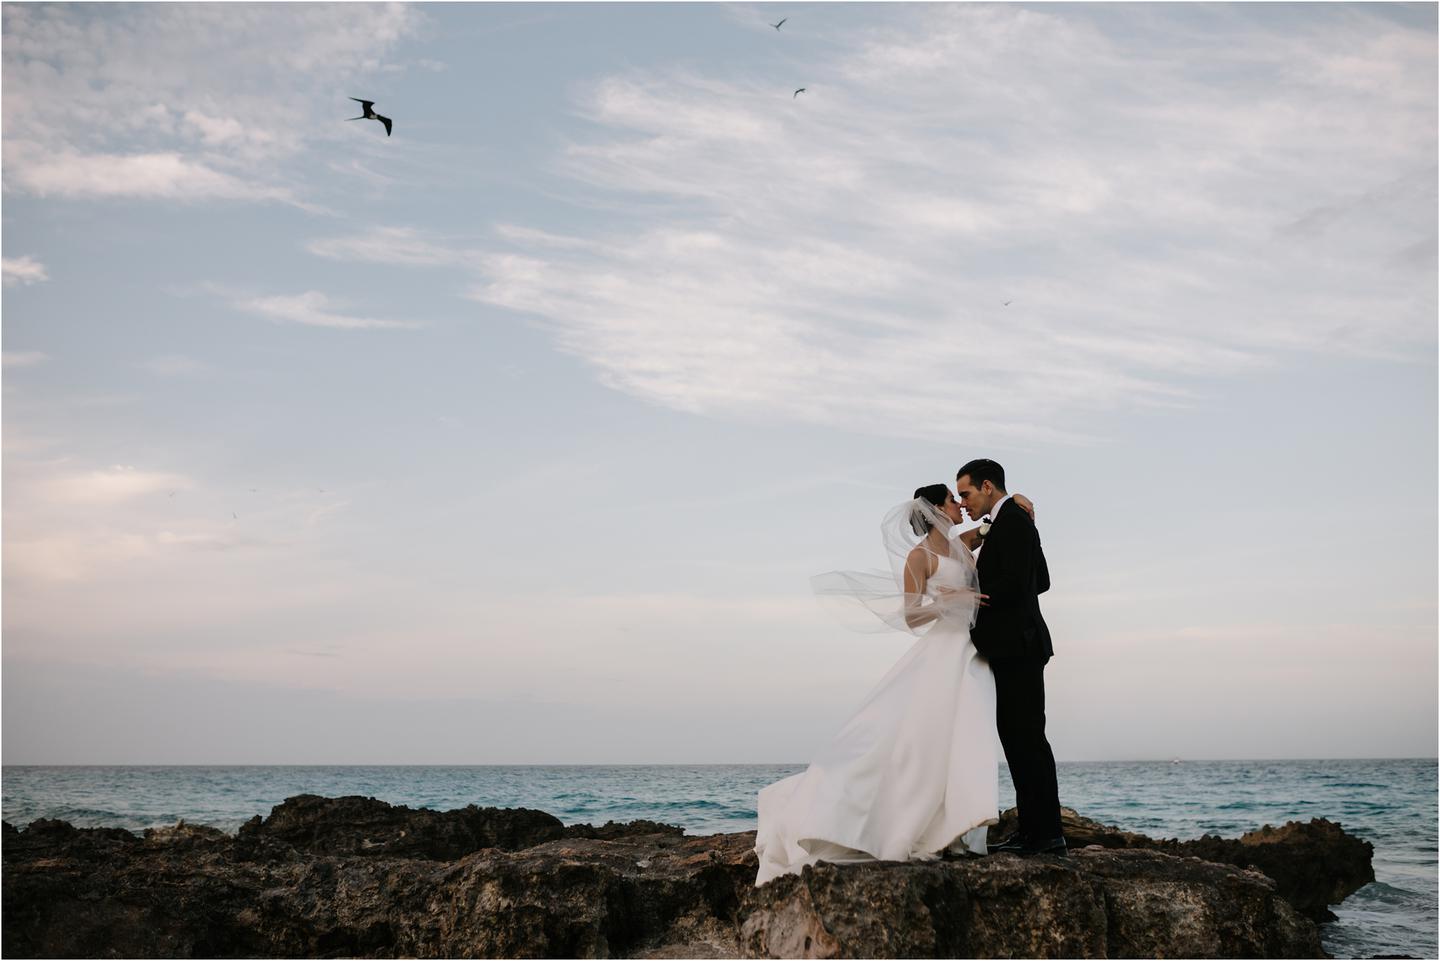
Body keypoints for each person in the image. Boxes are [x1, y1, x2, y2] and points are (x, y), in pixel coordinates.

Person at [753, 484, 1034, 886]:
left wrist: (1022, 501)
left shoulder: (962, 544)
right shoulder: (919, 556)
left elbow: (999, 520)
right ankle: (895, 818)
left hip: (971, 652)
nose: (960, 506)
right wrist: (949, 600)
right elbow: (911, 617)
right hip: (942, 651)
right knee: (922, 738)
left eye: (961, 498)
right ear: (937, 509)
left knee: (962, 737)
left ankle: (957, 823)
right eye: (953, 501)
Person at [954, 458, 1064, 856]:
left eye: (965, 493)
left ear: (987, 486)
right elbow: (1043, 580)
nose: (963, 503)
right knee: (1019, 738)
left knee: (1027, 739)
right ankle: (1033, 830)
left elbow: (1019, 584)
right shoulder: (1012, 520)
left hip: (1019, 644)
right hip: (1015, 645)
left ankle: (1047, 836)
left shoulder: (1014, 520)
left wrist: (973, 596)